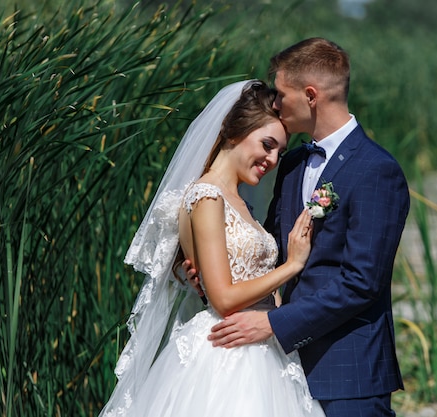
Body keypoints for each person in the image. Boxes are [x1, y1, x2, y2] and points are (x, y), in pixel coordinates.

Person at [201, 38, 411, 417]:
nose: (276, 104)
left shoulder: (376, 170)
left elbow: (362, 282)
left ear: (310, 95)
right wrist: (212, 264)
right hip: (279, 371)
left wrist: (274, 323)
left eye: (281, 94)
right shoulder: (294, 162)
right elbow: (269, 247)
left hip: (349, 371)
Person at [98, 80, 326, 417]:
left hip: (263, 345)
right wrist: (291, 266)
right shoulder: (207, 196)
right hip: (229, 354)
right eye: (267, 144)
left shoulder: (237, 201)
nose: (273, 159)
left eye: (278, 151)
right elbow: (222, 298)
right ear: (234, 132)